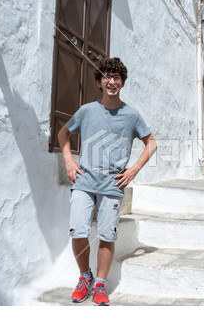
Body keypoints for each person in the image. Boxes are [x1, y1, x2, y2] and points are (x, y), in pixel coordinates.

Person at [58, 57, 157, 306]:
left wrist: (133, 170)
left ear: (122, 83)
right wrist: (69, 161)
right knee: (78, 230)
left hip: (113, 185)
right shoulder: (87, 111)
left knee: (107, 236)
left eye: (116, 78)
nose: (112, 82)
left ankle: (100, 284)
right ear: (99, 82)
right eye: (107, 77)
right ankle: (85, 277)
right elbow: (63, 133)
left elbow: (151, 143)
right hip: (84, 181)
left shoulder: (132, 115)